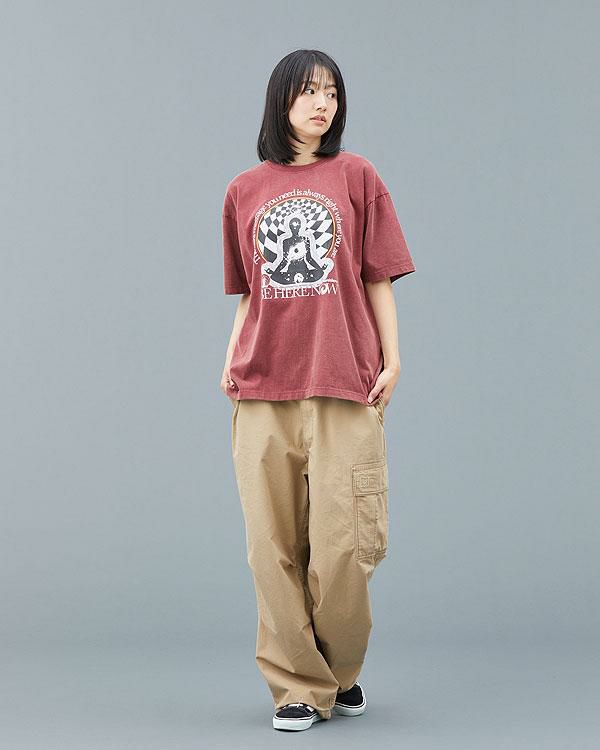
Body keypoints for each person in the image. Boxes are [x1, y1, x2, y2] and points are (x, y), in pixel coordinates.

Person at [220, 49, 416, 732]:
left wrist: (394, 357)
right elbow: (250, 292)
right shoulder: (243, 190)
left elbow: (376, 277)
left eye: (331, 92)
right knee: (270, 547)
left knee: (344, 546)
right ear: (280, 101)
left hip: (343, 382)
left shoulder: (358, 176)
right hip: (262, 388)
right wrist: (230, 357)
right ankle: (298, 687)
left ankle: (337, 670)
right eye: (307, 91)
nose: (321, 104)